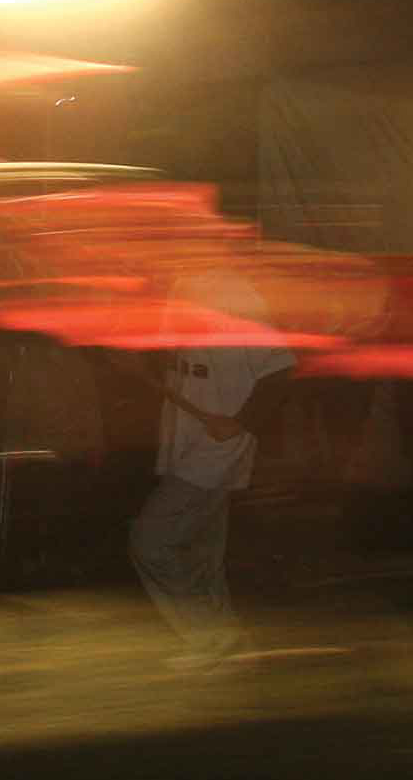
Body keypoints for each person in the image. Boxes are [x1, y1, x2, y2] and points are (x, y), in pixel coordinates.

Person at [134, 261, 295, 668]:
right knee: (203, 552)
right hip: (185, 440)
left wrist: (241, 422)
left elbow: (279, 368)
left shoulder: (234, 291)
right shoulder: (180, 284)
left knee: (150, 540)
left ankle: (210, 638)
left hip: (217, 447)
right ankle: (229, 644)